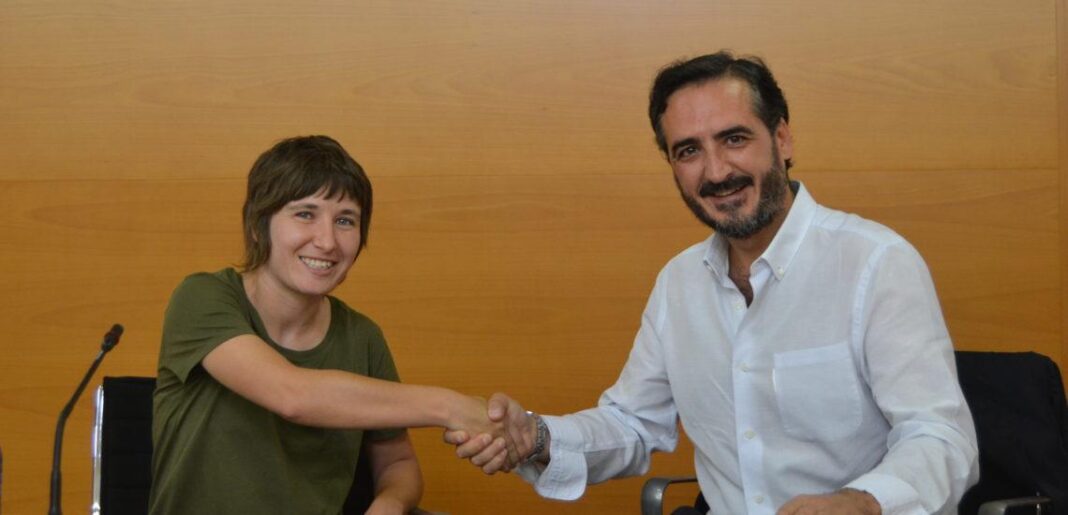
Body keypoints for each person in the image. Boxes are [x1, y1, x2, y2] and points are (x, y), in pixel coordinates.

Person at [446, 51, 980, 514]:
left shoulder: (875, 263)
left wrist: (863, 501)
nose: (717, 171)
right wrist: (536, 437)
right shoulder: (678, 283)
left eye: (734, 139)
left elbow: (941, 437)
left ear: (782, 138)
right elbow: (633, 424)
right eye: (689, 150)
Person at [150, 135, 512, 515]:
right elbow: (292, 395)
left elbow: (397, 463)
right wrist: (451, 406)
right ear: (258, 225)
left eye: (345, 221)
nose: (327, 242)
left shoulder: (363, 337)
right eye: (305, 214)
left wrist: (389, 504)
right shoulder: (202, 297)